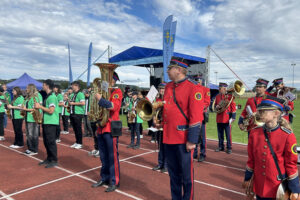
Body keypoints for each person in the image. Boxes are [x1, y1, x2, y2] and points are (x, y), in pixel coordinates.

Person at [156, 57, 204, 200]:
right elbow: (168, 109)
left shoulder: (194, 87)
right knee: (173, 174)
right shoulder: (169, 86)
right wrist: (161, 123)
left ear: (178, 70)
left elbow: (196, 116)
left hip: (183, 138)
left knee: (186, 176)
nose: (167, 71)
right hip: (168, 136)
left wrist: (192, 140)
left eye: (170, 68)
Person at [242, 96, 300, 200]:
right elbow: (251, 160)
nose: (260, 113)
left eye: (264, 111)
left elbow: (291, 164)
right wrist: (247, 178)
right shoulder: (254, 133)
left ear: (276, 114)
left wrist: (295, 189)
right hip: (258, 185)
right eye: (259, 111)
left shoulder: (287, 136)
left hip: (277, 188)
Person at [92, 71, 123, 192]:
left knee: (112, 156)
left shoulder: (117, 92)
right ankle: (104, 177)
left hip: (111, 128)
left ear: (113, 80)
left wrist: (100, 99)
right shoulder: (103, 92)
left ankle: (115, 181)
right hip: (101, 127)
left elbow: (113, 107)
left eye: (107, 79)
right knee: (103, 156)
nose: (104, 82)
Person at [34, 79, 59, 168]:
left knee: (51, 142)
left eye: (43, 85)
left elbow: (51, 111)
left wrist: (40, 106)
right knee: (46, 141)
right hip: (46, 122)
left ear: (47, 86)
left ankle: (54, 160)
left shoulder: (52, 97)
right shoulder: (48, 96)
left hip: (51, 122)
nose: (42, 86)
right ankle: (49, 158)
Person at [213, 82, 236, 154]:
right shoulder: (217, 96)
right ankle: (220, 146)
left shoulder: (230, 96)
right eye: (219, 88)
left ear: (225, 89)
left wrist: (233, 117)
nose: (219, 90)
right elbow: (215, 105)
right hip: (219, 117)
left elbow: (233, 107)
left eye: (221, 88)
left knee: (228, 134)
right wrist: (216, 106)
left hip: (226, 118)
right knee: (220, 134)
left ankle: (229, 147)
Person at [193, 75, 211, 162]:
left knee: (202, 136)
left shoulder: (206, 89)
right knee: (194, 134)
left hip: (201, 115)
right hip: (194, 116)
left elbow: (207, 102)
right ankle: (195, 153)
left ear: (202, 81)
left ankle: (203, 153)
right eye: (196, 80)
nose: (198, 82)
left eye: (199, 80)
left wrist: (198, 108)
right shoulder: (192, 89)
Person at [22, 84, 42, 155]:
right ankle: (30, 148)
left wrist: (25, 109)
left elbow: (35, 108)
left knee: (33, 135)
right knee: (28, 134)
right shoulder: (28, 98)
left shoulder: (35, 98)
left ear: (31, 89)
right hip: (27, 118)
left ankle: (34, 149)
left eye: (27, 88)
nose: (26, 89)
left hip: (33, 119)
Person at [152, 82, 167, 173]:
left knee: (166, 147)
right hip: (158, 125)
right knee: (160, 146)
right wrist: (154, 119)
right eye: (160, 89)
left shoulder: (167, 99)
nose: (161, 90)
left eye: (163, 89)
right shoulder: (157, 99)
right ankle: (160, 163)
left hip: (165, 125)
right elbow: (154, 111)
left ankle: (166, 165)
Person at [69, 81, 85, 149]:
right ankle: (77, 141)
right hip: (72, 113)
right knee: (75, 129)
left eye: (72, 85)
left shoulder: (80, 94)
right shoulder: (73, 94)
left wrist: (73, 103)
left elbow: (83, 103)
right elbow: (70, 101)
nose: (71, 87)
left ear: (76, 86)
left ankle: (80, 143)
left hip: (78, 113)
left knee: (78, 129)